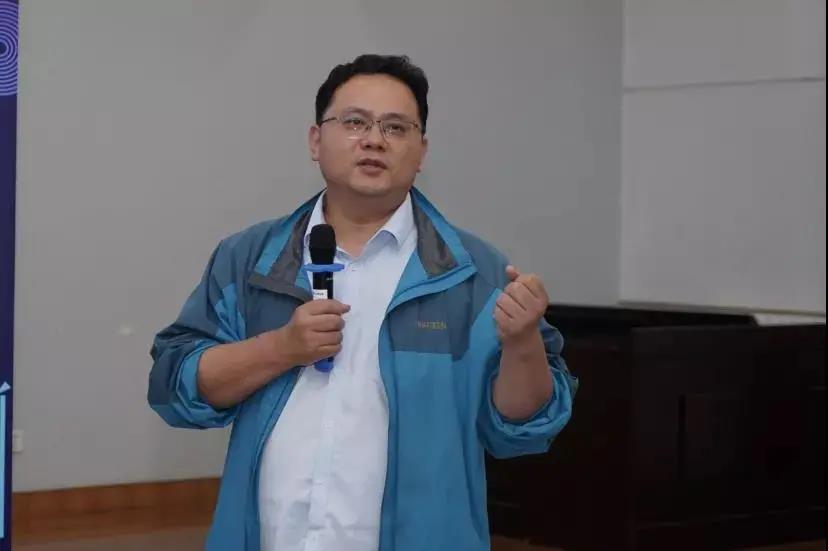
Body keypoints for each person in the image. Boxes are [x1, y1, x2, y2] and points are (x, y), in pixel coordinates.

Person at [148, 54, 577, 551]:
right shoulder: (248, 259)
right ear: (316, 141)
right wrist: (280, 349)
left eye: (396, 127)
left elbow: (521, 429)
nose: (374, 140)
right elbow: (176, 384)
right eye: (354, 122)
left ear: (421, 151)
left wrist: (522, 344)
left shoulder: (474, 272)